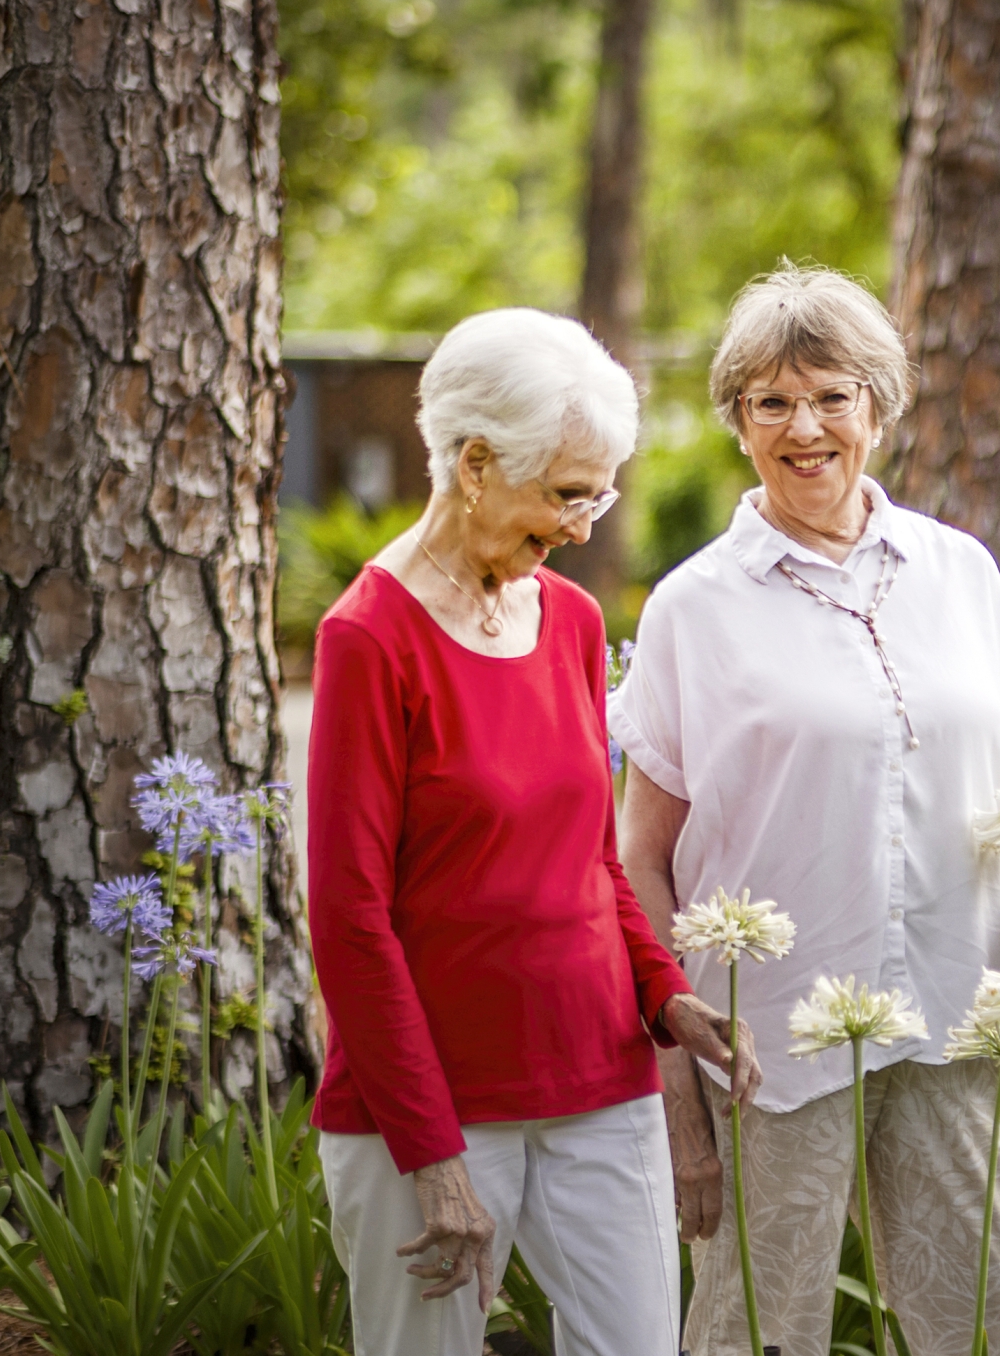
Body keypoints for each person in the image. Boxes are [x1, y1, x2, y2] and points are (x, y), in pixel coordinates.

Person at [611, 265, 1000, 1356]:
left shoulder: (960, 574)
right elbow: (640, 853)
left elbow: (991, 790)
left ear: (877, 404)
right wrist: (677, 1074)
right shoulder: (695, 604)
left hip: (955, 1015)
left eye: (831, 395)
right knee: (756, 1332)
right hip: (771, 1040)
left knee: (981, 1319)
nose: (804, 427)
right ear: (738, 423)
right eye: (770, 402)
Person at [307, 306, 762, 1356]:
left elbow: (592, 858)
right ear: (473, 464)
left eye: (600, 491)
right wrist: (430, 1154)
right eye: (567, 493)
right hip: (429, 1110)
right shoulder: (369, 639)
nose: (588, 522)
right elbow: (349, 918)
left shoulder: (571, 619)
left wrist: (665, 994)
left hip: (598, 1079)